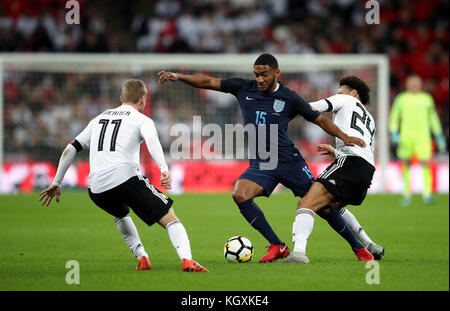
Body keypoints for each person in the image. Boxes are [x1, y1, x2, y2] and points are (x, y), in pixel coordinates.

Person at [158, 54, 370, 263]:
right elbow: (209, 82)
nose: (259, 79)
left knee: (322, 206)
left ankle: (358, 247)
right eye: (256, 74)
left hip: (289, 162)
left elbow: (321, 120)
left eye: (264, 75)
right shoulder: (243, 87)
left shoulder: (289, 97)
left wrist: (344, 136)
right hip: (261, 163)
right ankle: (278, 245)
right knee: (240, 195)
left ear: (277, 73)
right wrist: (178, 76)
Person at [39, 79, 208, 272]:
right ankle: (187, 260)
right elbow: (152, 140)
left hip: (97, 189)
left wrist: (57, 181)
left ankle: (142, 257)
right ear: (143, 100)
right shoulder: (141, 119)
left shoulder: (98, 118)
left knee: (120, 213)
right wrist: (163, 169)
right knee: (170, 217)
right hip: (126, 179)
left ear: (121, 98)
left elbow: (70, 148)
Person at [279, 76, 384, 263]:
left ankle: (299, 254)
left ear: (353, 93)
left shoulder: (346, 99)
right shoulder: (370, 119)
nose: (337, 93)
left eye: (341, 90)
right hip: (366, 170)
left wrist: (284, 112)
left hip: (349, 163)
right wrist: (336, 152)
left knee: (307, 203)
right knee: (329, 206)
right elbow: (364, 150)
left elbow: (312, 107)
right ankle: (369, 244)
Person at [389, 75, 447, 205]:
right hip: (406, 136)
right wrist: (394, 132)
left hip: (423, 136)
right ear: (407, 85)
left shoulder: (426, 98)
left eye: (416, 83)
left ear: (420, 85)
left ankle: (427, 193)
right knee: (406, 163)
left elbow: (433, 118)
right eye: (411, 83)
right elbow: (394, 117)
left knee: (426, 163)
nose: (414, 85)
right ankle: (406, 193)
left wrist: (438, 135)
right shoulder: (401, 99)